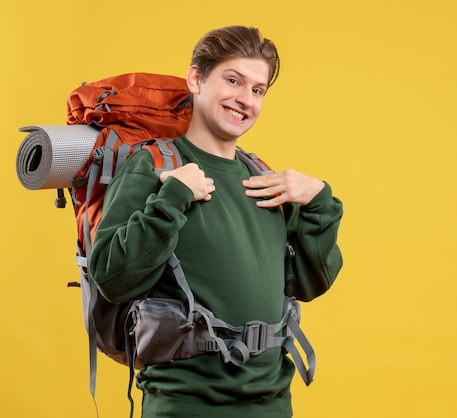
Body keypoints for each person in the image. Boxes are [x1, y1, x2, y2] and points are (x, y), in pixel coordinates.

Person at [89, 26, 343, 418]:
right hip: (185, 405)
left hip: (273, 403)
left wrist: (321, 203)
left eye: (258, 90)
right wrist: (172, 197)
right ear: (196, 79)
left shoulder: (262, 177)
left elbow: (309, 282)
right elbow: (112, 277)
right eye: (233, 80)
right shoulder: (155, 167)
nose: (245, 99)